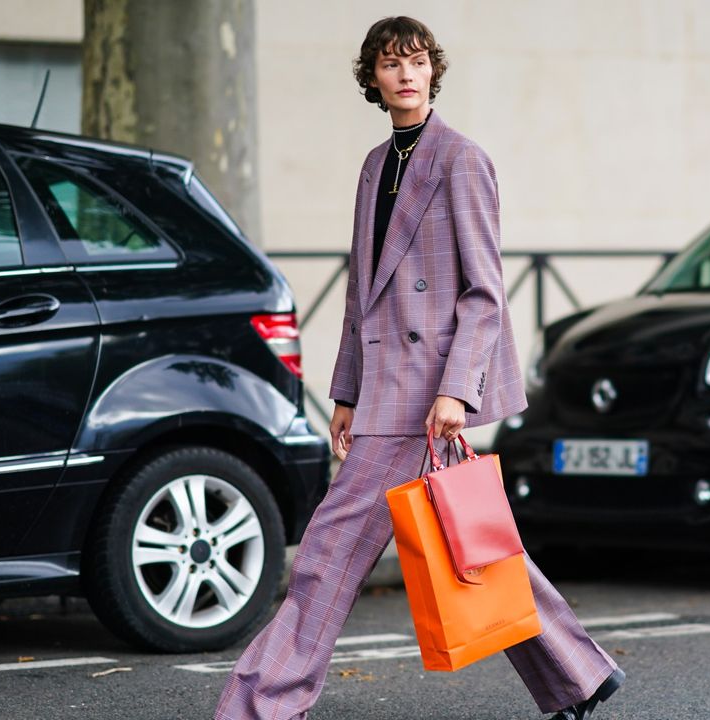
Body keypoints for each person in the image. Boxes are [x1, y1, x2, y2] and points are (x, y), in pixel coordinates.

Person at [214, 16, 625, 720]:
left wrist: (456, 392)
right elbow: (361, 293)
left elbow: (484, 289)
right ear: (372, 79)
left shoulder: (461, 160)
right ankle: (578, 676)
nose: (405, 73)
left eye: (416, 60)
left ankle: (261, 705)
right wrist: (346, 390)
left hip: (428, 391)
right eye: (388, 63)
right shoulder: (375, 166)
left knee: (325, 555)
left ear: (434, 71)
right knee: (476, 543)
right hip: (385, 389)